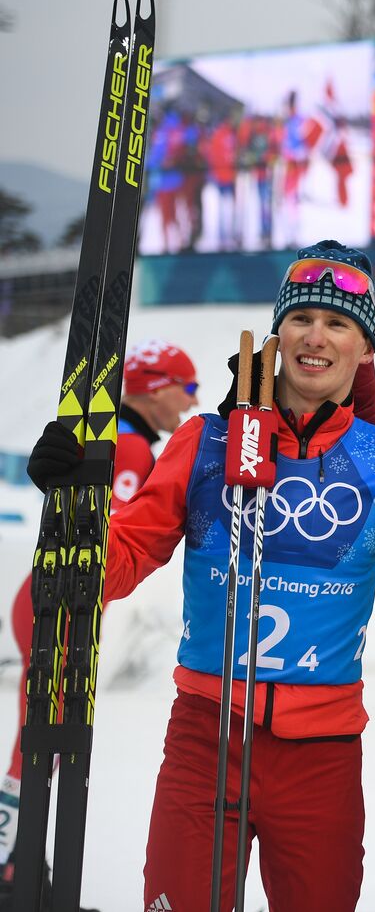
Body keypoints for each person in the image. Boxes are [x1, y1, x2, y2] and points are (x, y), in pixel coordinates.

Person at [24, 240, 375, 911]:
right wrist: (73, 502)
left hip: (322, 757)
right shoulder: (203, 442)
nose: (317, 336)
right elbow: (116, 564)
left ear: (366, 348)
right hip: (207, 735)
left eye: (340, 323)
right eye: (301, 319)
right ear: (277, 334)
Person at [0, 340, 199, 907]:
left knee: (40, 735)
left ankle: (18, 860)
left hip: (50, 596)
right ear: (156, 389)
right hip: (62, 601)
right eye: (186, 390)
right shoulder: (133, 450)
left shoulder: (123, 441)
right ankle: (15, 866)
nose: (191, 402)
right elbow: (108, 533)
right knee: (42, 739)